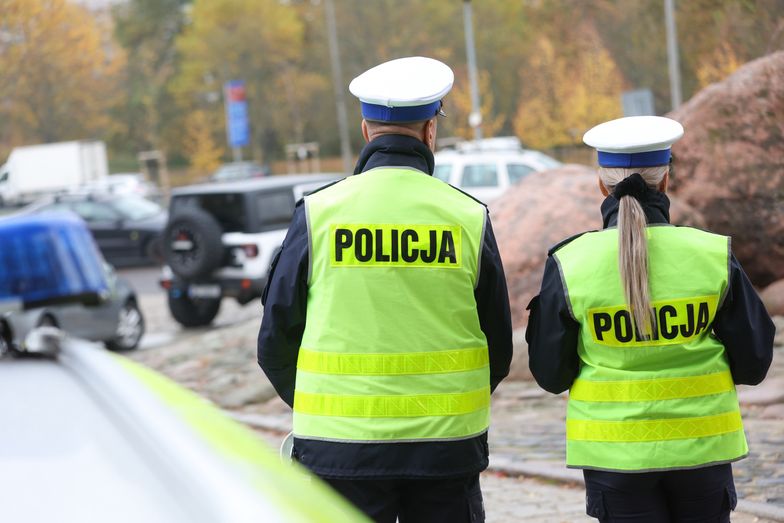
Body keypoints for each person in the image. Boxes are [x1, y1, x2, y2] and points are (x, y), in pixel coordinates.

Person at [257, 56, 513, 523]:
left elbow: (275, 340)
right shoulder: (468, 218)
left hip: (340, 451)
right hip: (445, 451)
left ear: (365, 130)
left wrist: (324, 407)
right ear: (430, 130)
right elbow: (498, 344)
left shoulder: (319, 214)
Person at [526, 116, 775, 522]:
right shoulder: (711, 255)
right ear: (666, 181)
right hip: (702, 454)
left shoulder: (571, 263)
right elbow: (754, 363)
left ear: (602, 185)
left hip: (615, 458)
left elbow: (551, 375)